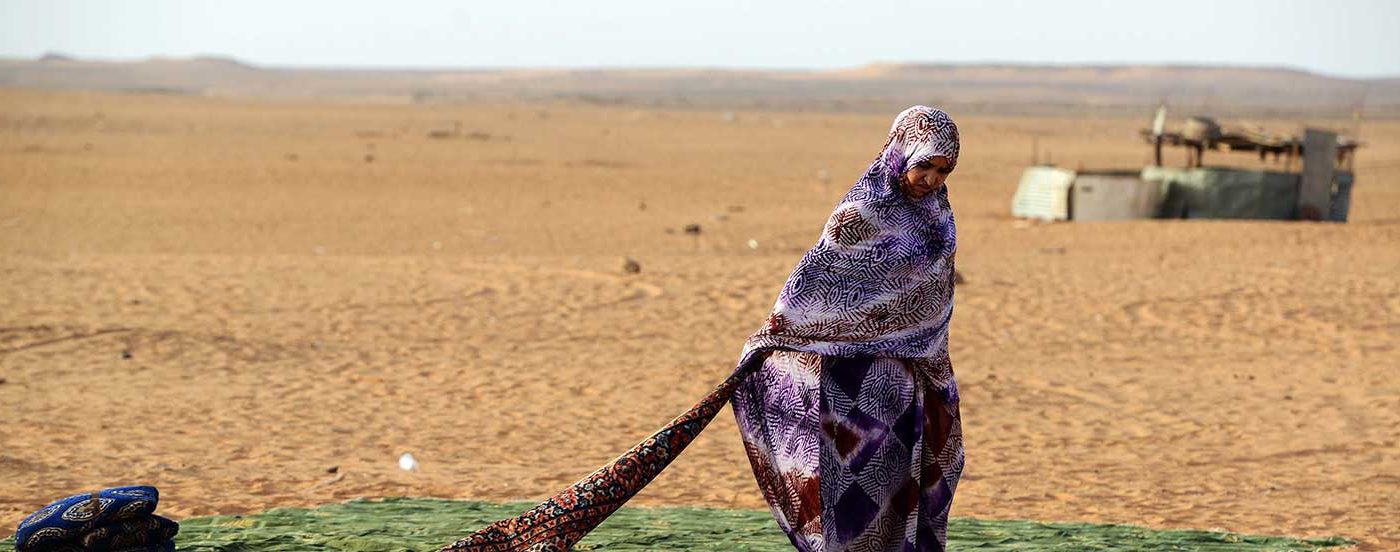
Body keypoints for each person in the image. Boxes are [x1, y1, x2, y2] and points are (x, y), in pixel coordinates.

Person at [442, 106, 963, 552]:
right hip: (837, 383)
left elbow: (932, 302)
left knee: (901, 484)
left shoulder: (940, 222)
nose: (932, 180)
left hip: (902, 380)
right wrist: (775, 337)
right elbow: (814, 285)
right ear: (900, 152)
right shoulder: (860, 213)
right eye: (925, 166)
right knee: (839, 492)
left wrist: (927, 362)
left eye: (943, 170)